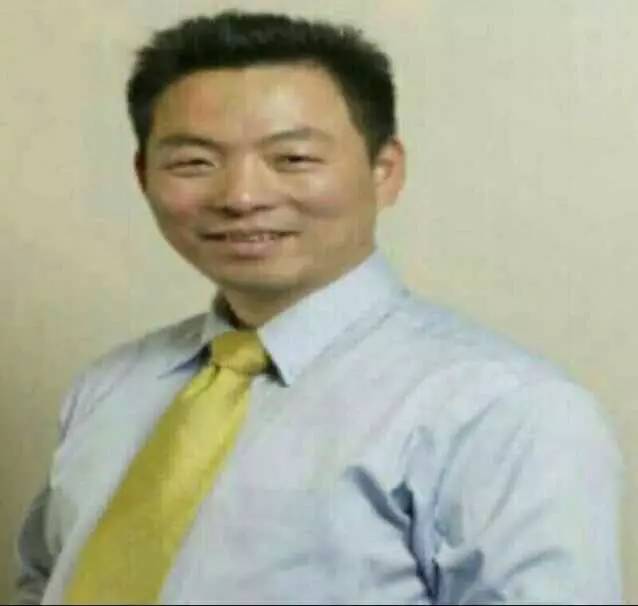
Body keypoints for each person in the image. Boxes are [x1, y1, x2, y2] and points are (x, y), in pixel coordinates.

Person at [13, 10, 623, 605]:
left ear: (385, 171)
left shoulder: (503, 409)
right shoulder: (111, 387)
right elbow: (46, 581)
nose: (242, 196)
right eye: (194, 162)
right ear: (144, 174)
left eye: (293, 159)